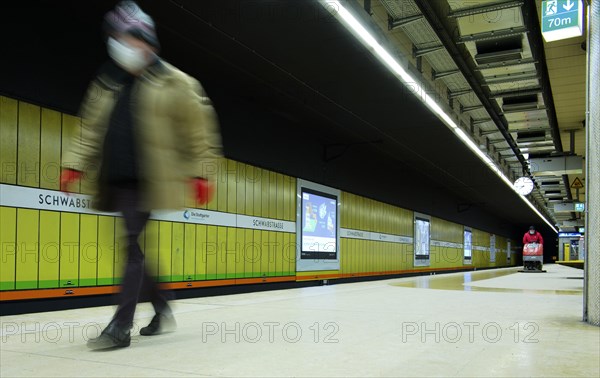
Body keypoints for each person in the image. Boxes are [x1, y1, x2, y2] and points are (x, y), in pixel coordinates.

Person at [60, 1, 222, 349]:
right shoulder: (108, 83)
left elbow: (200, 132)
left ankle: (120, 328)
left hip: (149, 180)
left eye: (128, 38)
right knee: (132, 246)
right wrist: (74, 163)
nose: (122, 45)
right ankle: (162, 308)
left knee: (131, 245)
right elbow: (89, 130)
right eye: (116, 38)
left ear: (146, 41)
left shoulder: (175, 83)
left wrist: (203, 173)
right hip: (114, 178)